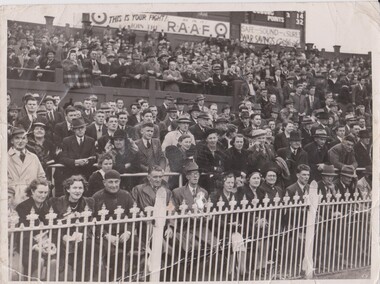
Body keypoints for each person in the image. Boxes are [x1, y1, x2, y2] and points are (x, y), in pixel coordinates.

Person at [49, 175, 96, 281]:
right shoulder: (56, 202)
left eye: (80, 188)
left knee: (88, 246)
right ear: (68, 189)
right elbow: (53, 225)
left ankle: (82, 279)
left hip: (81, 237)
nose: (77, 191)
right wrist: (64, 236)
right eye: (74, 188)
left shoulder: (89, 202)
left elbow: (90, 223)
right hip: (63, 237)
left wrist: (82, 234)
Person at [15, 179, 56, 280]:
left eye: (46, 192)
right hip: (29, 244)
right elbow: (22, 232)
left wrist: (52, 243)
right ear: (32, 191)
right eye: (40, 192)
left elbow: (53, 228)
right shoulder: (22, 207)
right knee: (39, 261)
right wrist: (36, 246)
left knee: (54, 262)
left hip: (46, 243)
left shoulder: (48, 206)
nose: (43, 195)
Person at [8, 128, 46, 205]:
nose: (20, 141)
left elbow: (41, 176)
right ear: (12, 141)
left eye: (23, 138)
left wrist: (37, 191)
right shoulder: (5, 158)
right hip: (14, 197)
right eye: (17, 138)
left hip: (32, 196)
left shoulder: (33, 157)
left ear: (27, 140)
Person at [59, 118, 96, 182]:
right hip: (71, 173)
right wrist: (76, 162)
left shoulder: (91, 141)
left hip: (86, 173)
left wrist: (86, 161)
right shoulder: (67, 141)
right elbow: (63, 158)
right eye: (77, 128)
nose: (80, 130)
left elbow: (93, 157)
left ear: (85, 128)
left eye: (82, 127)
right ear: (73, 130)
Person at [194, 128, 228, 192]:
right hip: (205, 178)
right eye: (210, 138)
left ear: (217, 138)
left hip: (219, 176)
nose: (213, 140)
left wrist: (220, 168)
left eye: (214, 138)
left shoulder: (221, 148)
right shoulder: (202, 150)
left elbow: (225, 162)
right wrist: (215, 168)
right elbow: (203, 166)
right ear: (206, 140)